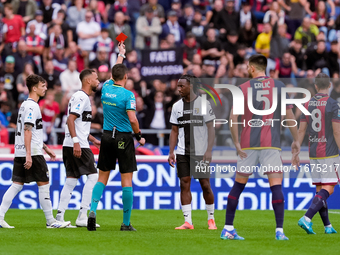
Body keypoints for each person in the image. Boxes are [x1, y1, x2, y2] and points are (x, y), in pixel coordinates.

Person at [221, 55, 300, 241]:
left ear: (251, 68)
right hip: (271, 143)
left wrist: (236, 143)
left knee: (238, 186)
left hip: (247, 144)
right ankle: (279, 231)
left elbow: (233, 119)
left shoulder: (242, 88)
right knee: (276, 186)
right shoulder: (279, 86)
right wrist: (296, 141)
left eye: (248, 67)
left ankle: (228, 228)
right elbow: (289, 117)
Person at [87, 42, 145, 231]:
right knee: (126, 180)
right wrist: (138, 136)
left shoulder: (105, 88)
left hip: (106, 137)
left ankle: (92, 211)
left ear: (113, 76)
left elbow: (114, 73)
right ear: (126, 77)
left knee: (102, 177)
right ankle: (126, 223)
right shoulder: (128, 95)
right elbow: (133, 119)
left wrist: (121, 54)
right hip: (123, 138)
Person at [0, 74, 70, 229]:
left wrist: (46, 148)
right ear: (34, 88)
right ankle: (51, 221)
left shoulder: (25, 105)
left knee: (17, 185)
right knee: (44, 184)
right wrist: (29, 155)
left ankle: (0, 217)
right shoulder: (33, 106)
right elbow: (27, 131)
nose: (45, 88)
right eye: (43, 85)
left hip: (21, 150)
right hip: (32, 153)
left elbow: (32, 132)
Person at [168, 74, 217, 230]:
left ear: (191, 86)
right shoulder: (176, 107)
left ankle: (211, 219)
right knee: (184, 184)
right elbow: (174, 130)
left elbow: (211, 128)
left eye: (182, 86)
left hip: (201, 152)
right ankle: (188, 222)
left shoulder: (203, 103)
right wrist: (171, 152)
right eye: (178, 86)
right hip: (182, 152)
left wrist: (209, 150)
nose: (179, 89)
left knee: (205, 185)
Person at [56, 69, 101, 228]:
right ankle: (83, 215)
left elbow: (78, 124)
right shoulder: (82, 97)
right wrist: (76, 142)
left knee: (71, 181)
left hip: (71, 143)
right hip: (78, 145)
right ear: (88, 81)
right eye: (96, 79)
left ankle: (60, 217)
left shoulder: (78, 96)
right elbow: (70, 119)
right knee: (94, 177)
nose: (98, 81)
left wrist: (93, 139)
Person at [297, 73, 339, 235]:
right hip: (329, 152)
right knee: (330, 188)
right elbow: (336, 132)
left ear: (315, 86)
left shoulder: (306, 104)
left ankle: (327, 226)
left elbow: (301, 130)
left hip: (313, 151)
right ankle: (307, 218)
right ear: (329, 85)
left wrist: (296, 150)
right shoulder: (333, 104)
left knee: (320, 189)